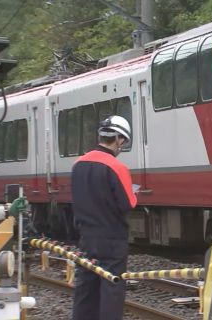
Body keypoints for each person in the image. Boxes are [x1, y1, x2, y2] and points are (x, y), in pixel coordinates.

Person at [71, 115, 137, 320]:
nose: (121, 147)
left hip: (86, 238)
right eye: (122, 142)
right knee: (111, 290)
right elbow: (128, 203)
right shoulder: (117, 167)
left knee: (85, 291)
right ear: (118, 139)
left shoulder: (78, 165)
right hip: (112, 240)